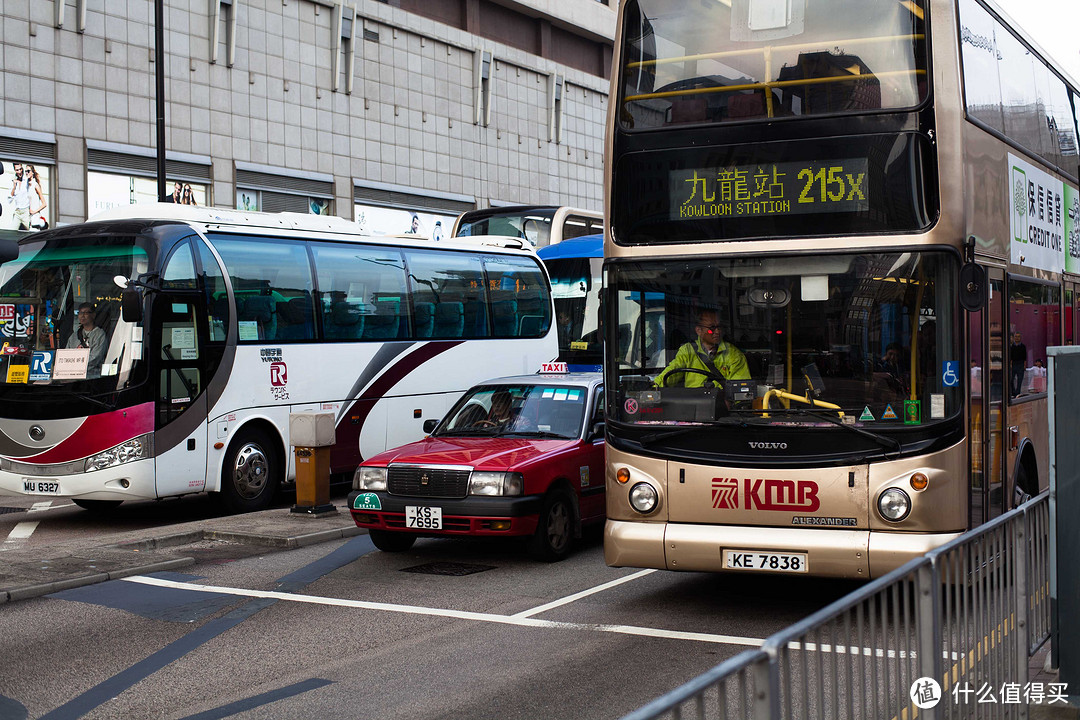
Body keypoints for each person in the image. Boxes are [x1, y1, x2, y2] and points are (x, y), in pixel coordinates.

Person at [655, 309, 750, 387]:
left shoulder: (733, 354)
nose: (717, 332)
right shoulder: (688, 350)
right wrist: (654, 387)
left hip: (720, 406)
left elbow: (740, 387)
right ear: (699, 331)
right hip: (692, 404)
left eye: (719, 327)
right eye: (712, 328)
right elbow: (672, 371)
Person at [66, 303, 107, 378]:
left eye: (86, 313)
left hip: (93, 376)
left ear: (93, 315)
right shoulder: (74, 336)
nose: (82, 316)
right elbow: (67, 355)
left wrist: (77, 367)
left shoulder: (99, 334)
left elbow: (95, 358)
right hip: (73, 377)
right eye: (80, 313)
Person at [1009, 332, 1027, 396]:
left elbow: (1025, 357)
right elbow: (1010, 356)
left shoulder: (1023, 346)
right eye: (1016, 337)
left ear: (1020, 338)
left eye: (1018, 337)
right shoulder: (1011, 347)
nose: (1017, 338)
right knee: (1011, 379)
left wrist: (1024, 365)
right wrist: (1010, 364)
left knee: (1020, 379)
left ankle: (1018, 392)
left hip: (1021, 364)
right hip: (1014, 363)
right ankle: (1013, 392)